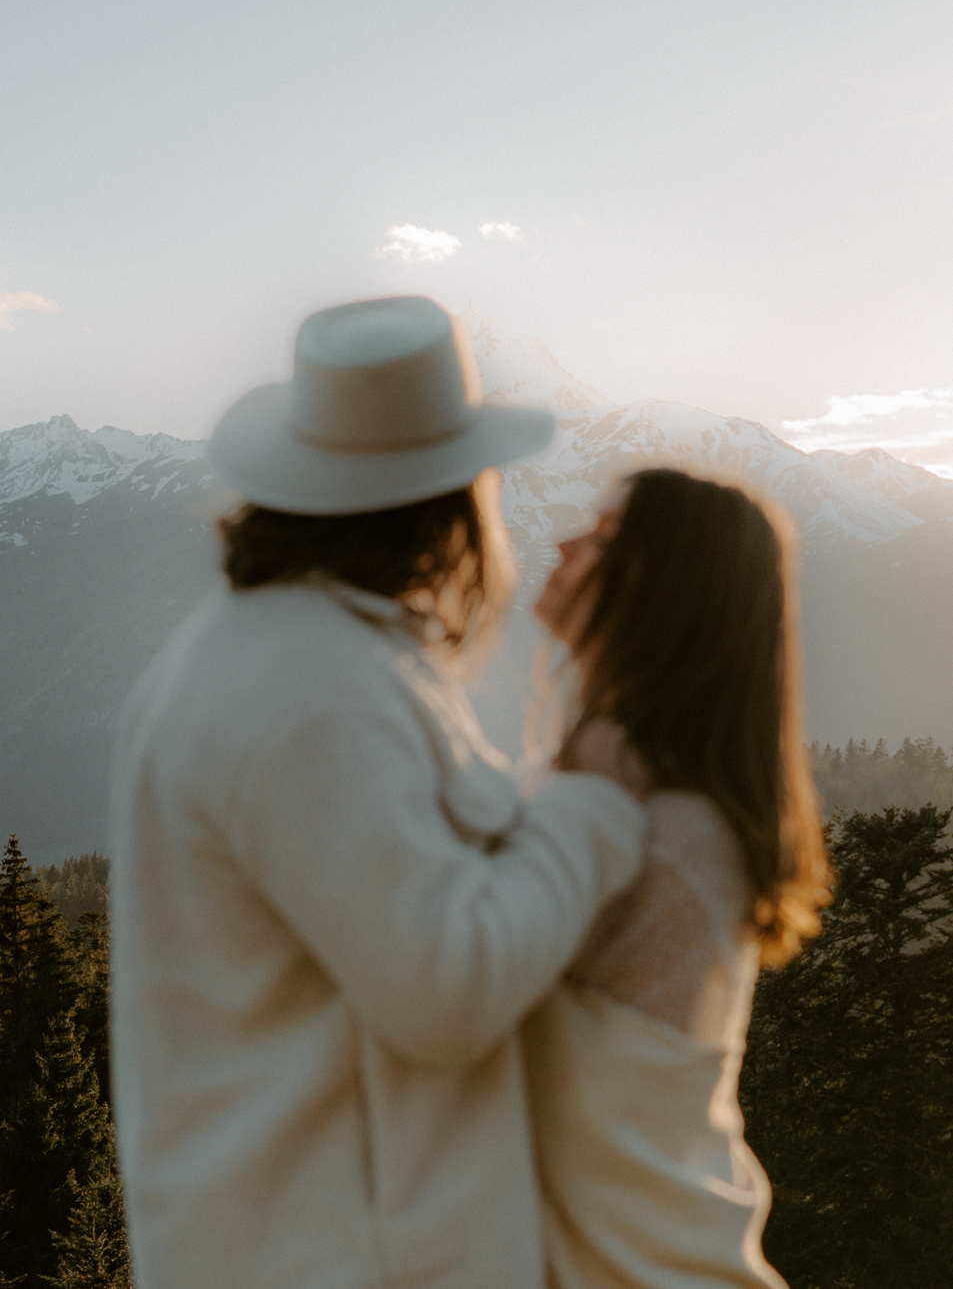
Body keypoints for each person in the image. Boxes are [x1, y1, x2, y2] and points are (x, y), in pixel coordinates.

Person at [109, 294, 646, 1289]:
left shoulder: (289, 654)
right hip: (344, 1255)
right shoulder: (313, 694)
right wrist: (595, 808)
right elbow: (445, 989)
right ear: (449, 502)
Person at [526, 468, 832, 1289]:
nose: (561, 542)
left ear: (665, 593)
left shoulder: (668, 833)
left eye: (603, 537)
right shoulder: (621, 795)